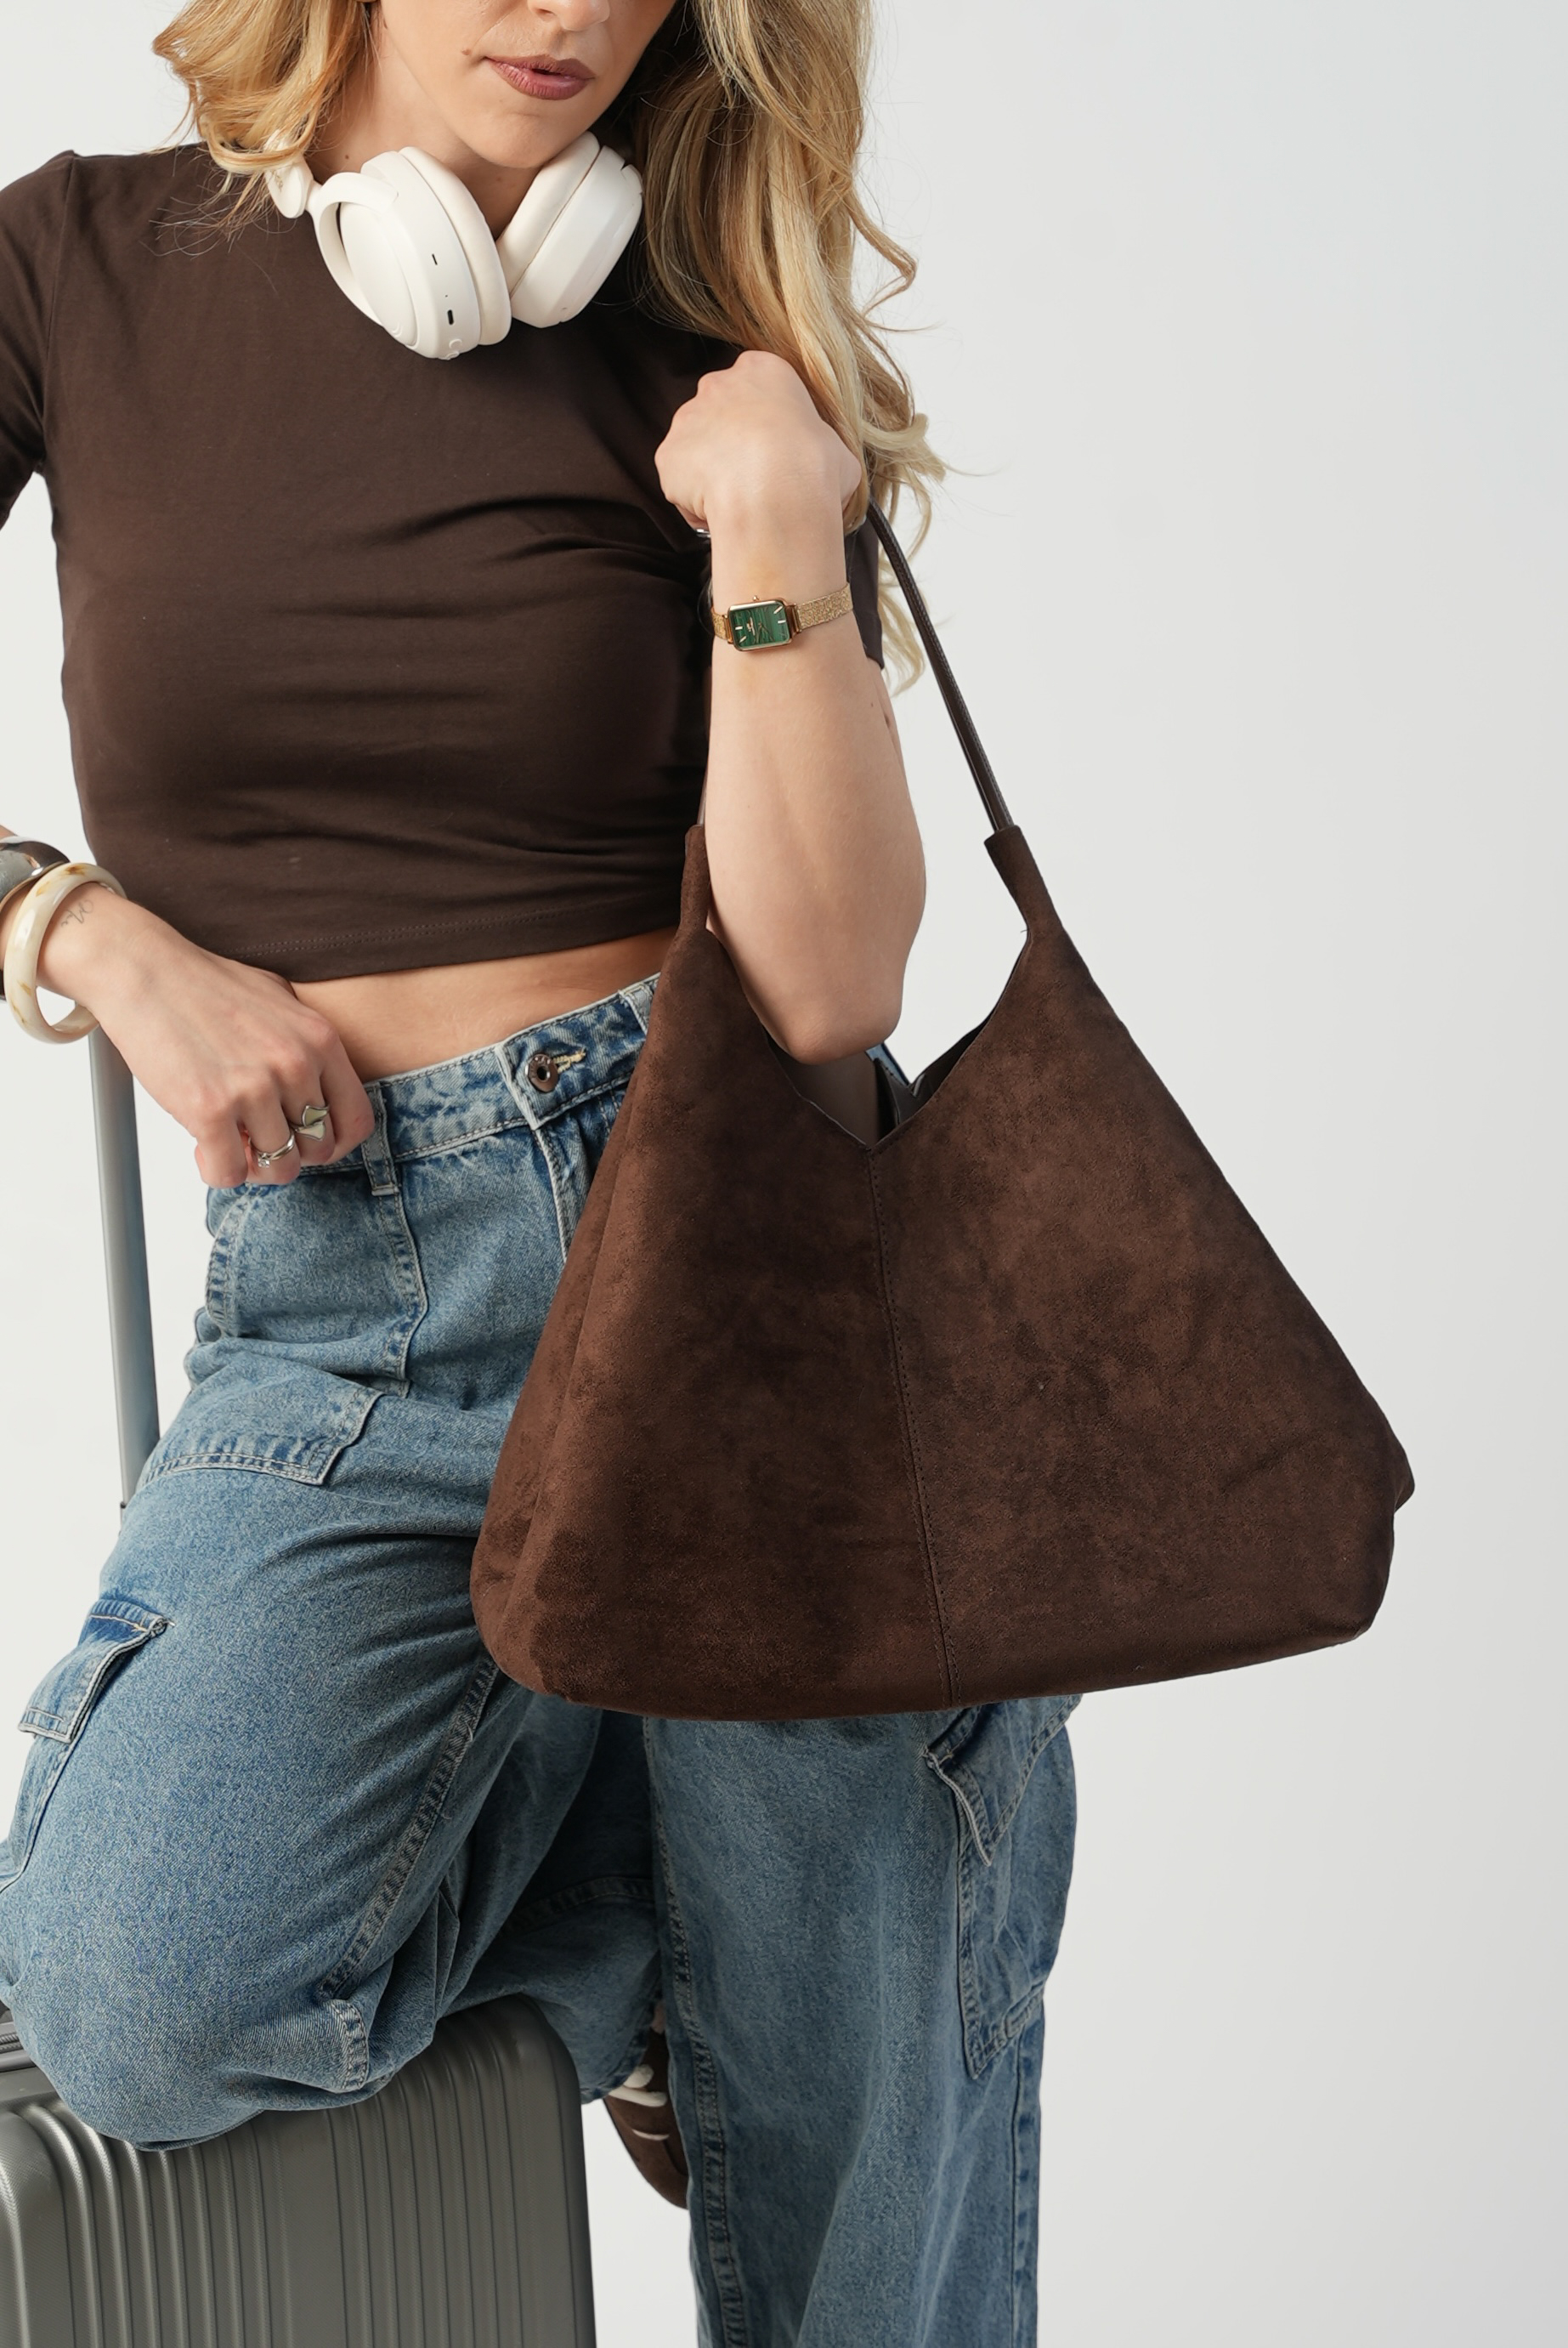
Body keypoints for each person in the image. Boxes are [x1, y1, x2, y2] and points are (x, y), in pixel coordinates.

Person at [0, 3, 1078, 2339]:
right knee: (142, 1990)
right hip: (353, 1306)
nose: (574, 9)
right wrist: (71, 926)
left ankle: (780, 1896)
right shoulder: (70, 268)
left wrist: (779, 525)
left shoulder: (713, 337)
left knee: (850, 2266)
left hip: (746, 1286)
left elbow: (827, 985)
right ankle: (670, 1918)